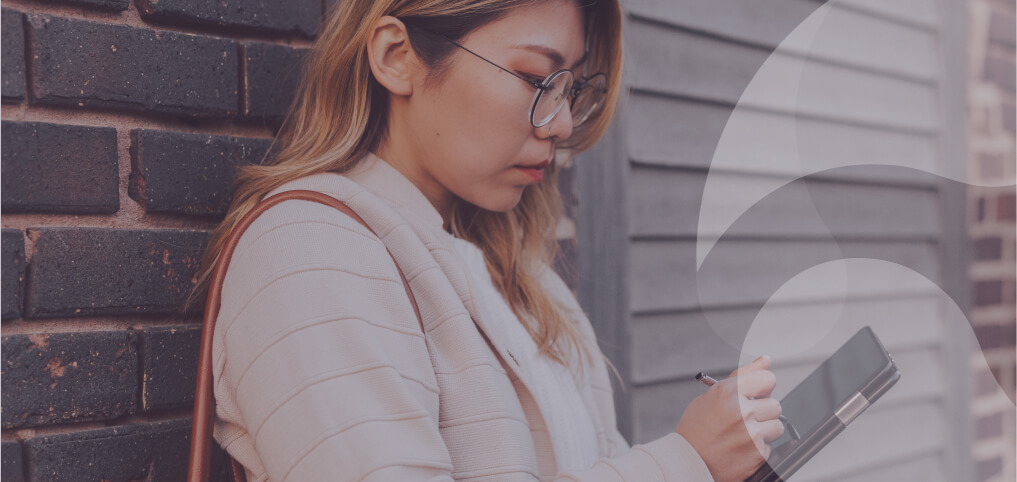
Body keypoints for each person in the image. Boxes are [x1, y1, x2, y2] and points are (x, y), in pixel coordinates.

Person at [188, 0, 785, 480]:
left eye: (570, 88)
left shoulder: (525, 281)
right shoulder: (307, 250)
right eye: (534, 78)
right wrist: (686, 463)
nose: (561, 123)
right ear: (397, 57)